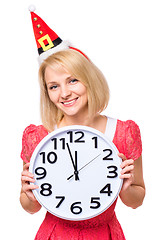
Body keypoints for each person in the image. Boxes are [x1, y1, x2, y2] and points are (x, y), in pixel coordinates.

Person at [20, 6, 145, 240]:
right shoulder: (39, 137)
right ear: (47, 93)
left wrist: (126, 189)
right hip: (55, 234)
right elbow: (30, 207)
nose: (64, 93)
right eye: (54, 86)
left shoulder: (123, 132)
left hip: (104, 234)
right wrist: (29, 194)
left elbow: (137, 200)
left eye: (73, 80)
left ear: (89, 79)